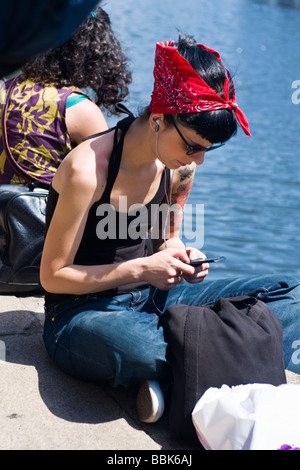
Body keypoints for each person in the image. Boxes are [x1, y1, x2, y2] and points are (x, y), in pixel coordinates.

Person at [40, 34, 300, 424]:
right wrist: (142, 269)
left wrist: (182, 255)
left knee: (288, 293)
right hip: (83, 315)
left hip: (156, 300)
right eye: (194, 146)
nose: (198, 160)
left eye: (206, 150)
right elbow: (53, 277)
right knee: (141, 348)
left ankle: (178, 372)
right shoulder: (87, 169)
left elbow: (168, 236)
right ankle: (212, 356)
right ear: (160, 119)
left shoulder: (179, 167)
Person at [0, 7, 132, 187]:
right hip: (41, 212)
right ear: (96, 53)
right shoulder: (79, 108)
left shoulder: (5, 88)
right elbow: (106, 183)